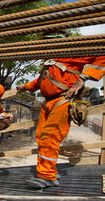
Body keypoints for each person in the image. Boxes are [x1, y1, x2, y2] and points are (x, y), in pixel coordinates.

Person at [16, 29, 105, 190]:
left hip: (62, 100)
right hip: (47, 103)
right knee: (41, 137)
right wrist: (25, 86)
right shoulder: (49, 60)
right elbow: (40, 80)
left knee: (50, 137)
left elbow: (102, 52)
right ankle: (47, 169)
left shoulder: (72, 51)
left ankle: (47, 176)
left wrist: (83, 78)